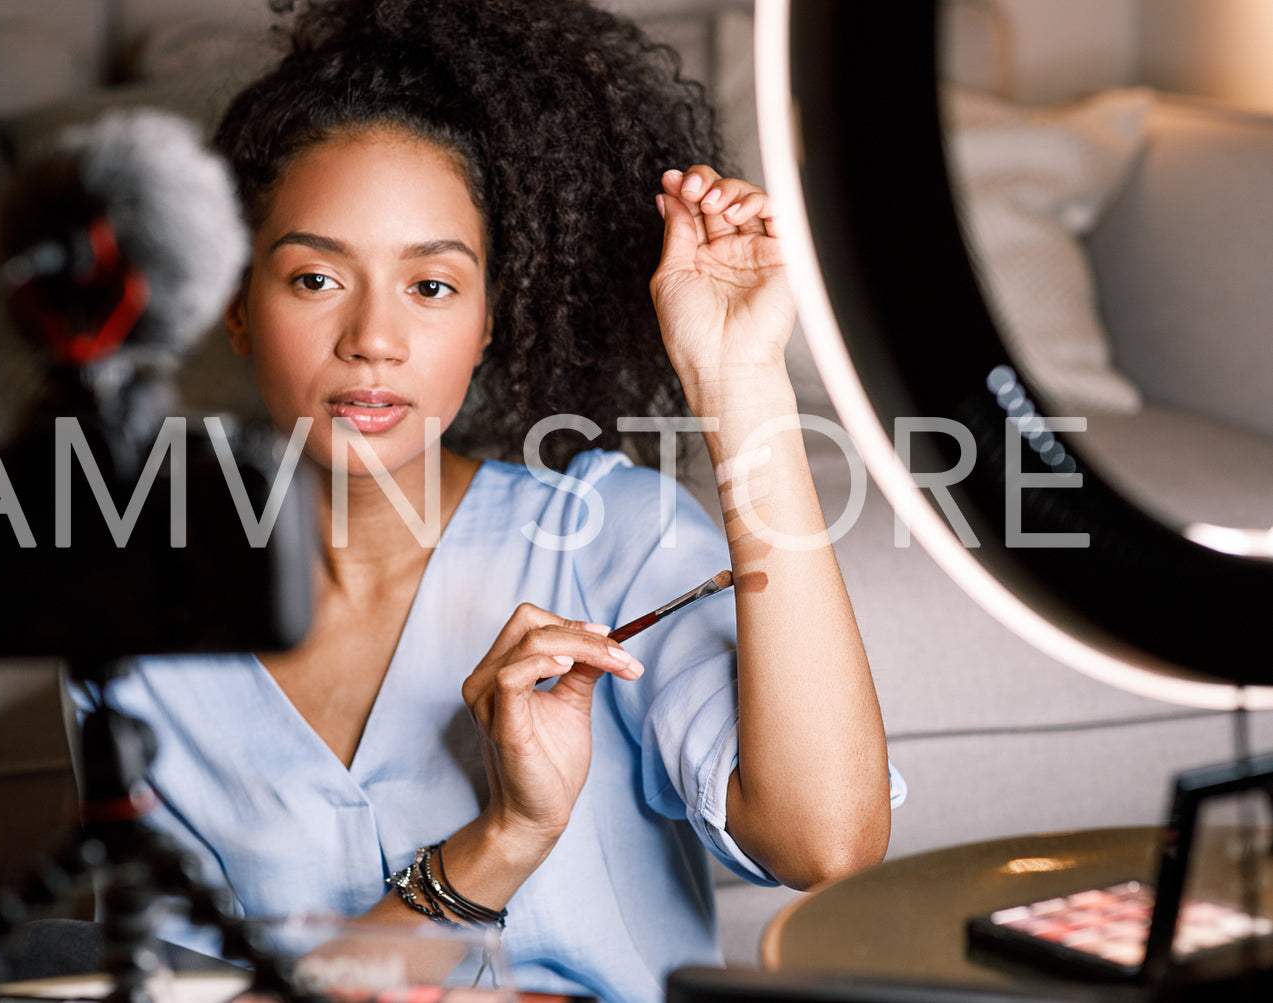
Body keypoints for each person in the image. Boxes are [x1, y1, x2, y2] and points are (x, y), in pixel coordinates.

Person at [71, 1, 902, 999]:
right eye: (315, 276)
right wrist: (503, 838)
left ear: (490, 320)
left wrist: (737, 381)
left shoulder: (613, 543)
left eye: (430, 286)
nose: (371, 337)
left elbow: (828, 843)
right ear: (237, 307)